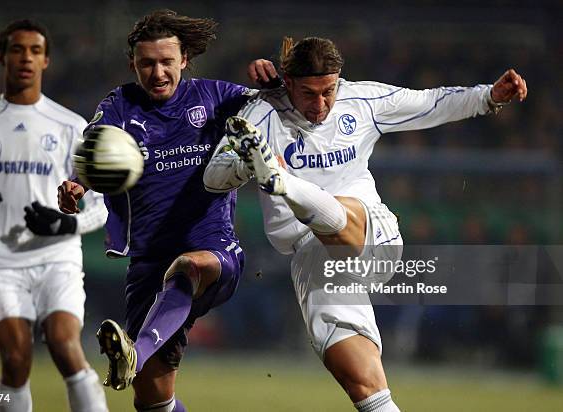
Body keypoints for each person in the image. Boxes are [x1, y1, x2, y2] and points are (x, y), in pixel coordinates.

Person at [204, 36, 527, 411]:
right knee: (364, 384)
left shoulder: (363, 101)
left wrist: (489, 96)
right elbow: (213, 178)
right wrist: (245, 162)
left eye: (328, 91)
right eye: (308, 93)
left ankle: (285, 183)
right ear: (288, 83)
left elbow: (429, 102)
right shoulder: (260, 114)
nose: (321, 104)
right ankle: (284, 183)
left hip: (371, 233)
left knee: (341, 212)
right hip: (315, 260)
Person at [57, 10, 251, 412]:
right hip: (148, 262)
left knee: (188, 266)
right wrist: (79, 183)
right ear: (133, 64)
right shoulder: (119, 105)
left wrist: (271, 82)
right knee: (153, 402)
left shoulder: (216, 96)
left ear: (184, 60)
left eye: (166, 62)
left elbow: (272, 107)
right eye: (147, 63)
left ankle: (135, 351)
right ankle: (139, 358)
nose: (157, 72)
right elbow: (94, 154)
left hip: (212, 248)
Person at [0, 20, 109, 412]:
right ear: (3, 57)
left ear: (47, 60)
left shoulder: (72, 126)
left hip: (57, 257)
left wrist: (66, 223)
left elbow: (100, 206)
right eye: (18, 50)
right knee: (17, 358)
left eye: (35, 51)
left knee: (65, 345)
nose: (26, 58)